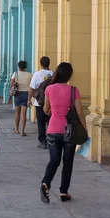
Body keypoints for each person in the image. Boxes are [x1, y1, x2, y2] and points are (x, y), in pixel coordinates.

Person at [40, 62, 86, 204]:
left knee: (54, 160)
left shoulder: (50, 89)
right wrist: (84, 129)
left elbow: (46, 110)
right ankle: (63, 191)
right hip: (69, 132)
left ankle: (45, 183)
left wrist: (55, 111)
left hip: (53, 129)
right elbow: (79, 112)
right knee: (68, 161)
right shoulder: (74, 90)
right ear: (69, 75)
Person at [28, 56, 53, 149]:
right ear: (49, 63)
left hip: (39, 102)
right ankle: (51, 140)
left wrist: (29, 100)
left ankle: (43, 141)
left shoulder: (37, 74)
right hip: (51, 103)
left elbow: (31, 88)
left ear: (41, 64)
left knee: (41, 123)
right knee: (50, 122)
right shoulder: (53, 74)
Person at [10, 61, 33, 136]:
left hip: (17, 94)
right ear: (25, 67)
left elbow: (11, 84)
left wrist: (9, 95)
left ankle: (16, 129)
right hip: (26, 94)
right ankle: (22, 131)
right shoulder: (30, 75)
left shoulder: (15, 74)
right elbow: (31, 86)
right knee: (23, 113)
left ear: (18, 66)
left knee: (17, 112)